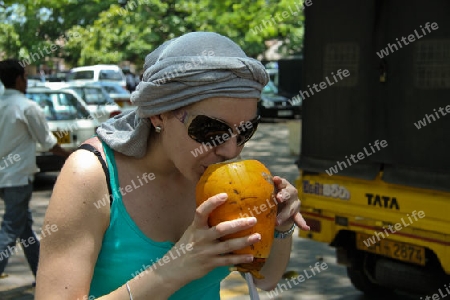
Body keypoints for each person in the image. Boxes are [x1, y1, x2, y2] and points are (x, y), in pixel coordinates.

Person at [35, 32, 310, 300]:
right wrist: (174, 269)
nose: (231, 150)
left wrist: (281, 225)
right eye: (212, 130)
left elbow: (266, 279)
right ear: (159, 114)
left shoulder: (223, 180)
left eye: (246, 131)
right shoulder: (91, 175)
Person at [0, 59, 71, 281]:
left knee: (24, 228)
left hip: (5, 177)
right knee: (12, 229)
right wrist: (72, 154)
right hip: (17, 178)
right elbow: (48, 142)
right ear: (20, 79)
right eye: (25, 77)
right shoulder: (26, 107)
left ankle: (42, 276)